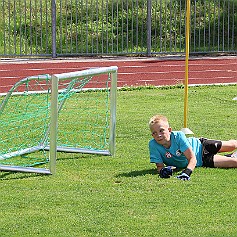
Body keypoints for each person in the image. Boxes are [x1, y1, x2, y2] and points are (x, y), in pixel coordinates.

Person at [148, 114, 237, 180]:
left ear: (169, 130)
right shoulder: (153, 145)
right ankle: (231, 156)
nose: (158, 135)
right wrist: (163, 171)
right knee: (234, 162)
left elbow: (192, 158)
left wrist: (187, 172)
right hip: (202, 160)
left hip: (202, 145)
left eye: (161, 131)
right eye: (154, 133)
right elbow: (159, 166)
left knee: (232, 145)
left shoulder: (178, 136)